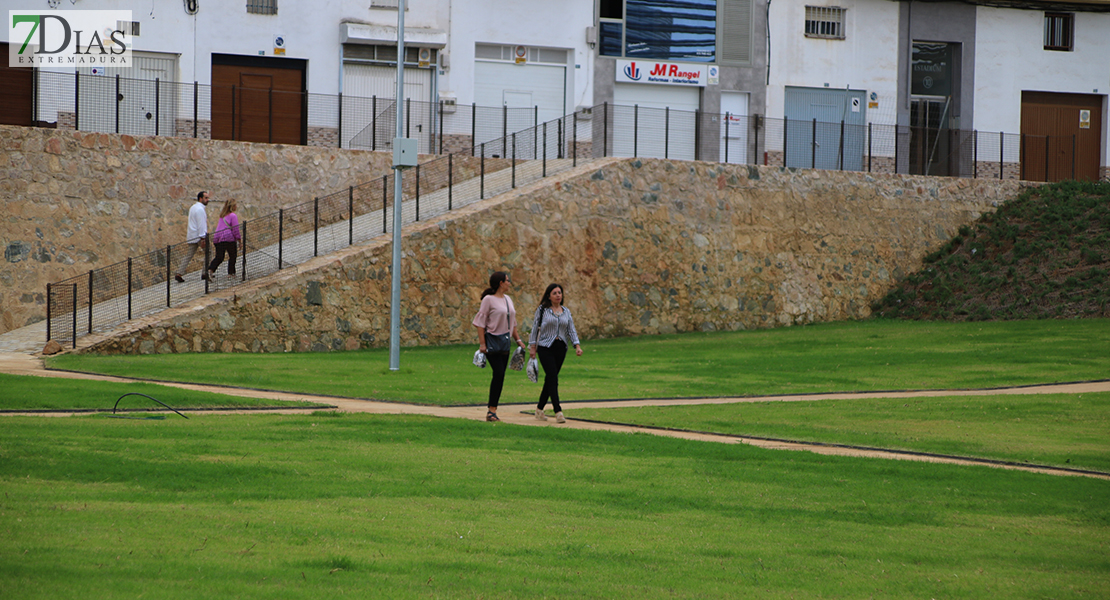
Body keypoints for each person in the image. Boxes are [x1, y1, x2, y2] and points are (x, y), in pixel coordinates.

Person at [472, 271, 526, 422]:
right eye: (507, 281)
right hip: (492, 342)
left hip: (505, 342)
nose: (509, 283)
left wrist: (518, 340)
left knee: (500, 376)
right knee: (499, 373)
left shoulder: (508, 299)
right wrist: (482, 344)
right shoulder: (488, 300)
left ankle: (493, 410)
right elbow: (480, 324)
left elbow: (512, 323)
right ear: (501, 283)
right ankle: (491, 411)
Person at [528, 283, 582, 424]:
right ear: (549, 296)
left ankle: (539, 409)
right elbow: (535, 328)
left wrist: (577, 345)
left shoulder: (566, 311)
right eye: (555, 293)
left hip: (560, 347)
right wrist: (532, 346)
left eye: (560, 292)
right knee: (552, 377)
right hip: (545, 347)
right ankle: (558, 411)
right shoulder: (542, 310)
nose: (558, 295)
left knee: (551, 378)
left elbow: (571, 329)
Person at [175, 190, 210, 283]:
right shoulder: (200, 209)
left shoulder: (193, 207)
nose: (207, 200)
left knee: (189, 255)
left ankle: (179, 272)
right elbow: (201, 224)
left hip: (192, 235)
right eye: (206, 198)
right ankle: (204, 272)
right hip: (199, 236)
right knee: (208, 252)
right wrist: (203, 238)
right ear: (200, 198)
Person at [207, 198, 242, 280]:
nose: (236, 206)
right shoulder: (233, 216)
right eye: (235, 205)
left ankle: (210, 270)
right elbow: (235, 229)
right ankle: (231, 273)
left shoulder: (222, 216)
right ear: (232, 206)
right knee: (232, 256)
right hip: (228, 238)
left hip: (217, 238)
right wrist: (239, 240)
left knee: (219, 256)